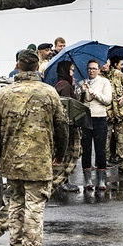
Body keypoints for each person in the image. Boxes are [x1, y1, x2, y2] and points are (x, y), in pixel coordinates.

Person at [0, 48, 65, 246]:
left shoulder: (4, 94)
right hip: (39, 160)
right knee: (34, 207)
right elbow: (61, 126)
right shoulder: (49, 93)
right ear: (37, 66)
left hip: (12, 160)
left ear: (17, 65)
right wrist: (60, 152)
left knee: (16, 205)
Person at [49, 60, 83, 194]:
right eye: (71, 70)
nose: (73, 72)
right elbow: (68, 106)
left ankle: (62, 181)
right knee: (68, 155)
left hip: (62, 126)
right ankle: (62, 182)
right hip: (67, 127)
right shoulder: (65, 86)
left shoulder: (60, 84)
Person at [81, 58, 114, 190]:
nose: (91, 71)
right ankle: (88, 179)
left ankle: (101, 179)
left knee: (100, 149)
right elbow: (82, 101)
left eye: (94, 68)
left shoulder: (104, 82)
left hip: (100, 117)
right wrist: (83, 91)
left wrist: (95, 93)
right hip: (86, 119)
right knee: (86, 149)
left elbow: (107, 100)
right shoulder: (83, 82)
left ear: (99, 70)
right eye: (89, 68)